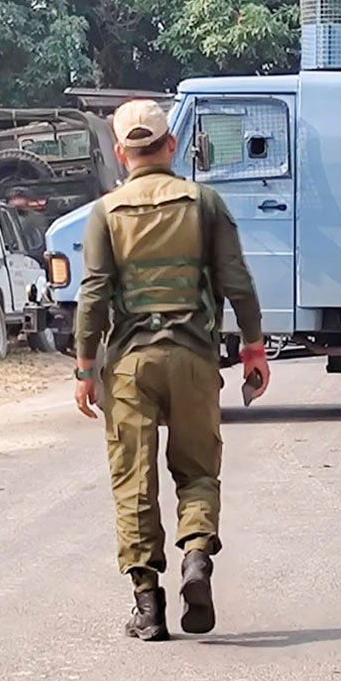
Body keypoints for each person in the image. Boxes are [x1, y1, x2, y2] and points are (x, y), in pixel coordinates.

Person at [72, 99, 271, 642]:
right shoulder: (205, 203)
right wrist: (253, 348)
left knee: (134, 481)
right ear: (171, 146)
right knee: (198, 471)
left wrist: (85, 365)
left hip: (130, 364)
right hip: (193, 359)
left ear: (120, 153)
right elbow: (238, 282)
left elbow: (92, 295)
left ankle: (148, 605)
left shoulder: (105, 212)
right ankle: (197, 557)